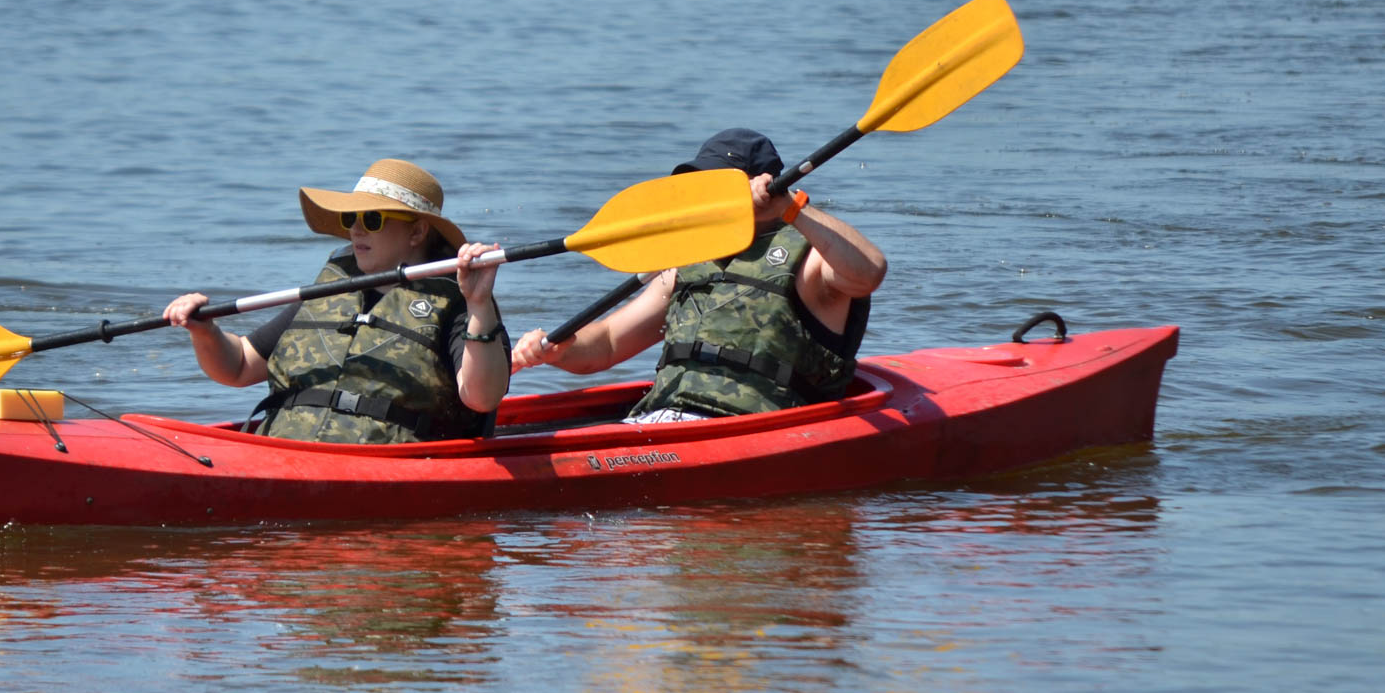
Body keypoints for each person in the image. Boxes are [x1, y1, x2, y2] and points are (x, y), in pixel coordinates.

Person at [511, 128, 885, 423]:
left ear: (764, 184)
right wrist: (560, 351)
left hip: (755, 426)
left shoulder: (810, 255)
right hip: (662, 418)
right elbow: (607, 344)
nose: (701, 196)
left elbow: (869, 272)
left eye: (714, 184)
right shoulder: (686, 257)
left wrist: (792, 207)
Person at [165, 158, 509, 444]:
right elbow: (238, 367)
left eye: (372, 219)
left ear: (417, 232)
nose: (356, 230)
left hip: (386, 465)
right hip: (285, 449)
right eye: (351, 218)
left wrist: (479, 304)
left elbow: (482, 397)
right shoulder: (333, 289)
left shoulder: (460, 302)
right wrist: (205, 331)